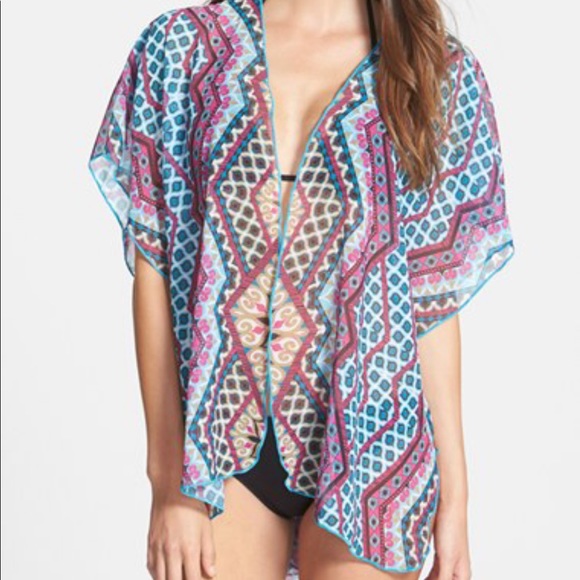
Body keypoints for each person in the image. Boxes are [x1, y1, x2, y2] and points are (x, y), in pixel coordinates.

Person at [87, 0, 515, 578]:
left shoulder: (437, 72)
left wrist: (456, 497)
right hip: (219, 447)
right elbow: (155, 265)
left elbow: (430, 300)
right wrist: (169, 484)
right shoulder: (184, 49)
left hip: (377, 447)